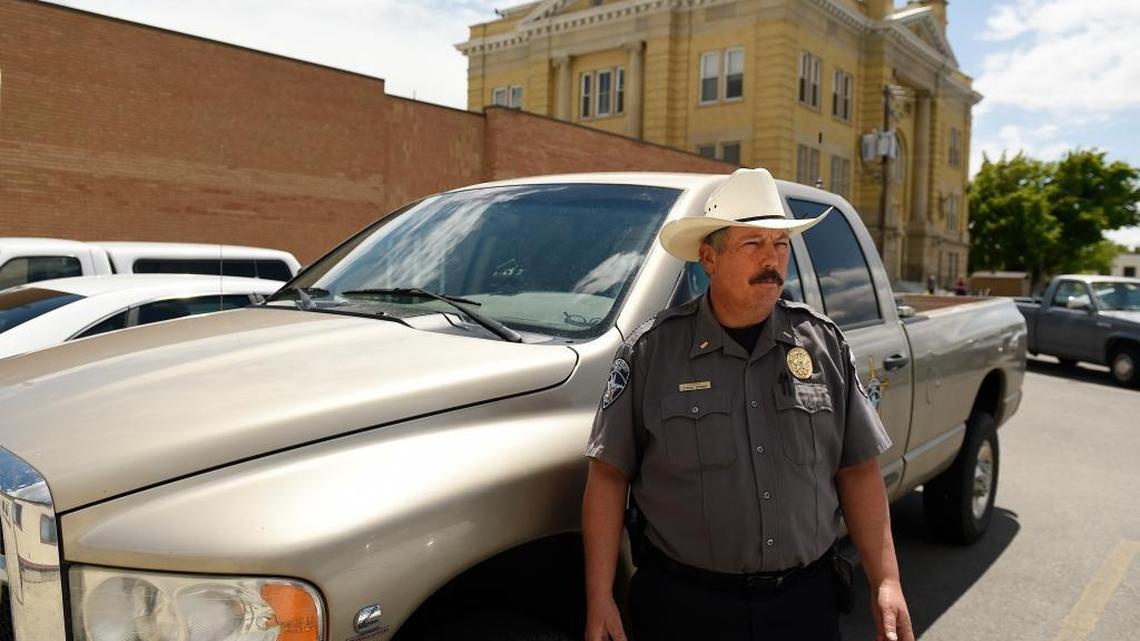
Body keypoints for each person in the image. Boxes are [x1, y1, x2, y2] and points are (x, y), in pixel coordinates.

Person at [581, 168, 913, 641]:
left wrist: (887, 581)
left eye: (780, 244)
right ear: (709, 257)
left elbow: (857, 469)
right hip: (686, 610)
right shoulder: (652, 352)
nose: (772, 260)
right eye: (752, 244)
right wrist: (600, 597)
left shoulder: (823, 346)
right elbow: (608, 476)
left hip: (804, 606)